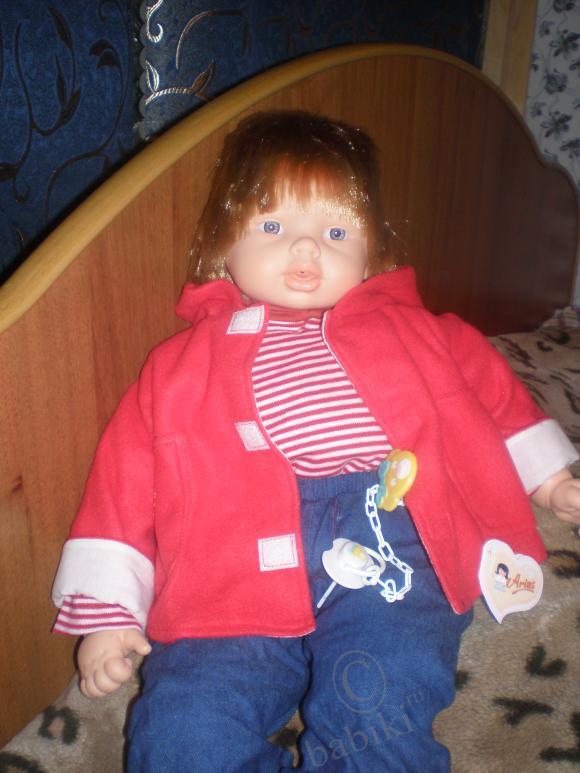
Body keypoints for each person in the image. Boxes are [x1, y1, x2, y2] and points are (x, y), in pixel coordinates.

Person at [52, 111, 580, 771]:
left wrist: (550, 477)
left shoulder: (419, 330)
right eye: (273, 227)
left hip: (390, 533)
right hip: (224, 563)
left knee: (378, 709)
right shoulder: (176, 366)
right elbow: (124, 482)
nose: (307, 251)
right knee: (186, 730)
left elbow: (492, 394)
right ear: (224, 242)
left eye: (335, 232)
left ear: (371, 250)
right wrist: (109, 611)